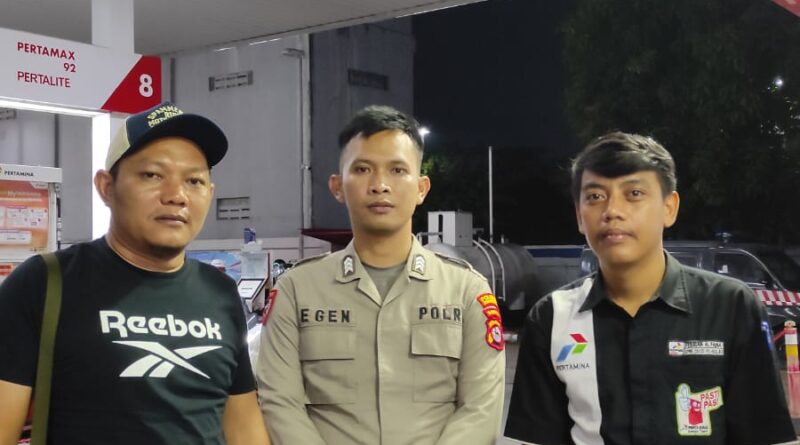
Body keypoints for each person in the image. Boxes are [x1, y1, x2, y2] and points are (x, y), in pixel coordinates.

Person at [0, 102, 270, 445]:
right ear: (106, 187)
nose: (177, 196)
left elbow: (244, 427)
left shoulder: (220, 292)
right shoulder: (44, 282)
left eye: (194, 181)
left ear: (210, 193)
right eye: (152, 175)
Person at [504, 131, 796, 444]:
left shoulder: (730, 306)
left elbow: (765, 434)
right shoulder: (551, 318)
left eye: (634, 193)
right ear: (579, 216)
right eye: (595, 196)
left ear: (669, 207)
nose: (612, 210)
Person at [256, 105, 505, 445]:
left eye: (397, 170)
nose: (380, 185)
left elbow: (480, 410)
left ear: (421, 188)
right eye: (362, 169)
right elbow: (281, 404)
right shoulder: (296, 291)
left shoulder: (467, 291)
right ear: (337, 186)